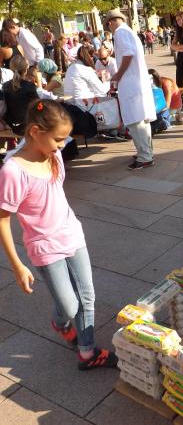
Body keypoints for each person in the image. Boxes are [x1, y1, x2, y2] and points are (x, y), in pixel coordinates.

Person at [0, 99, 118, 369]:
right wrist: (17, 266)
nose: (63, 145)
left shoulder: (53, 156)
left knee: (86, 297)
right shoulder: (12, 171)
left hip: (72, 235)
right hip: (44, 248)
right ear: (35, 132)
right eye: (58, 139)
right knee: (68, 306)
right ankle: (61, 322)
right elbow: (3, 220)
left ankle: (87, 352)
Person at [105, 9, 156, 170]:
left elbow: (128, 55)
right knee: (141, 119)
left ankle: (145, 156)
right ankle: (146, 152)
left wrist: (118, 74)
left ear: (111, 22)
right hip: (137, 81)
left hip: (131, 83)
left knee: (135, 121)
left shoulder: (120, 33)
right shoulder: (129, 32)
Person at [2, 55, 39, 135]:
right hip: (26, 125)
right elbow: (39, 106)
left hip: (10, 124)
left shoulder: (5, 85)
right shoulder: (29, 86)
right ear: (26, 70)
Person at [64, 46, 109, 111]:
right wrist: (107, 81)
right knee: (101, 95)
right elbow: (102, 90)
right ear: (90, 57)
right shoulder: (85, 69)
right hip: (83, 106)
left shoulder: (71, 67)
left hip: (69, 104)